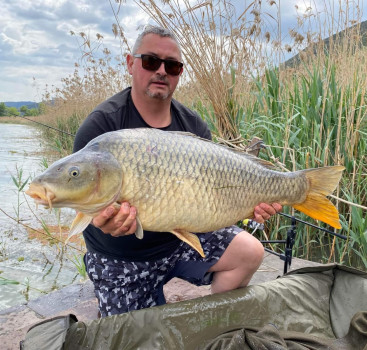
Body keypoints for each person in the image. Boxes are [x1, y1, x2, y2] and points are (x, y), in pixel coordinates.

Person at [73, 25, 282, 317]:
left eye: (172, 65)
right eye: (150, 61)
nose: (161, 71)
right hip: (121, 258)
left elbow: (211, 202)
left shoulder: (193, 126)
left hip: (180, 241)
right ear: (130, 63)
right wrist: (101, 221)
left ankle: (216, 322)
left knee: (250, 251)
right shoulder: (101, 127)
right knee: (130, 339)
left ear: (180, 73)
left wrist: (249, 207)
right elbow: (85, 204)